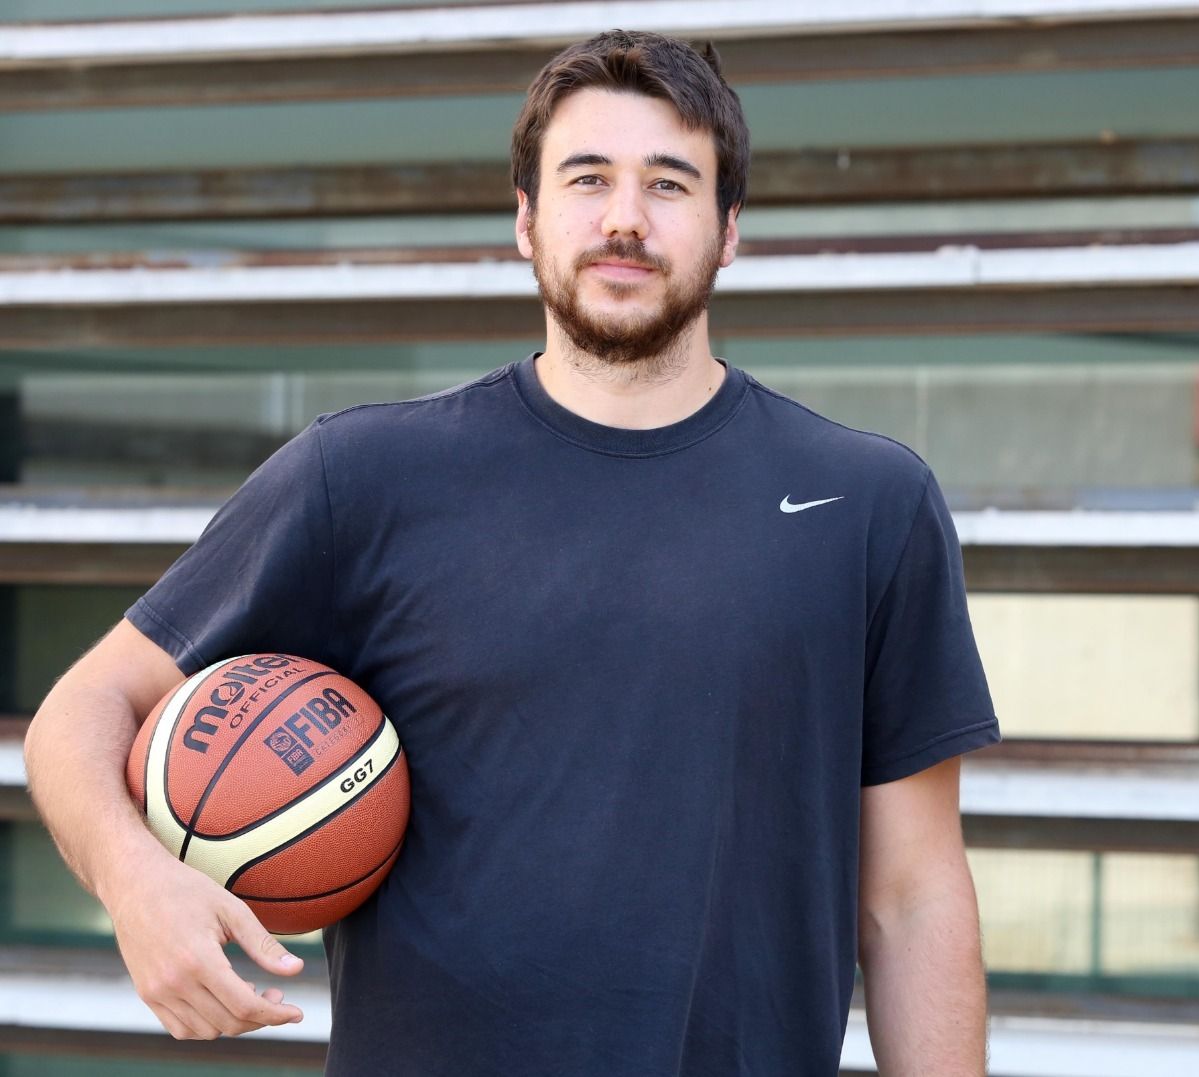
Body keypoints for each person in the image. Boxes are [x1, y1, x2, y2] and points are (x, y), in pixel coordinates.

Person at [24, 29, 1000, 1076]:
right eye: (588, 179)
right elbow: (82, 712)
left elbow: (910, 899)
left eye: (670, 184)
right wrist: (137, 883)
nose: (624, 217)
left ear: (728, 231)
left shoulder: (868, 502)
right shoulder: (365, 478)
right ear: (527, 219)